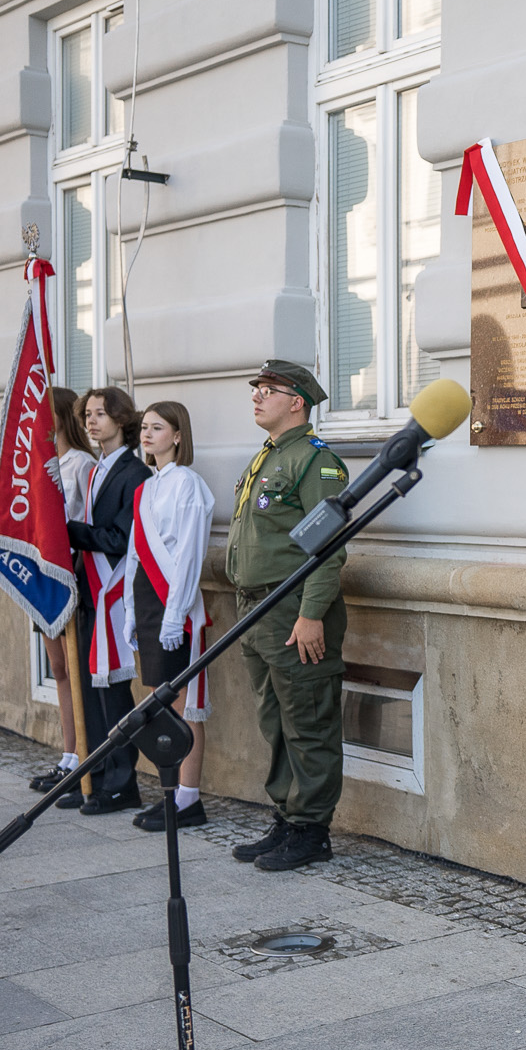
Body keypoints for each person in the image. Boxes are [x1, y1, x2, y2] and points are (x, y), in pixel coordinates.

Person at [224, 360, 352, 872]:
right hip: (255, 608)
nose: (256, 397)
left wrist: (311, 613)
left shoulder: (316, 462)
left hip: (291, 607)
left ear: (296, 401)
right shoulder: (268, 457)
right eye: (256, 389)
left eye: (268, 390)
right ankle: (286, 815)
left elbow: (329, 547)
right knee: (274, 720)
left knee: (308, 720)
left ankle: (311, 828)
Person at [123, 402, 217, 832]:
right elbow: (133, 556)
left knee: (184, 707)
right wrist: (128, 610)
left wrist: (174, 614)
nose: (147, 434)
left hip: (173, 604)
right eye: (143, 427)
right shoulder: (147, 487)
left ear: (178, 435)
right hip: (147, 601)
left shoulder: (188, 485)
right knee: (163, 704)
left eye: (157, 427)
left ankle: (188, 799)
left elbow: (189, 555)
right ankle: (174, 796)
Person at [64, 386, 151, 815]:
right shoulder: (98, 468)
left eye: (100, 414)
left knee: (113, 693)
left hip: (114, 595)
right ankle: (93, 776)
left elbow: (119, 538)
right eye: (88, 415)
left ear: (121, 419)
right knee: (88, 687)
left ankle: (123, 780)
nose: (92, 422)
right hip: (89, 592)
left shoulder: (135, 473)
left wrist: (68, 531)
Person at [28, 387, 97, 800]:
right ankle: (68, 753)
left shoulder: (80, 464)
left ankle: (81, 754)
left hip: (70, 574)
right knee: (58, 668)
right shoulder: (42, 462)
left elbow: (83, 518)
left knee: (74, 668)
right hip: (44, 576)